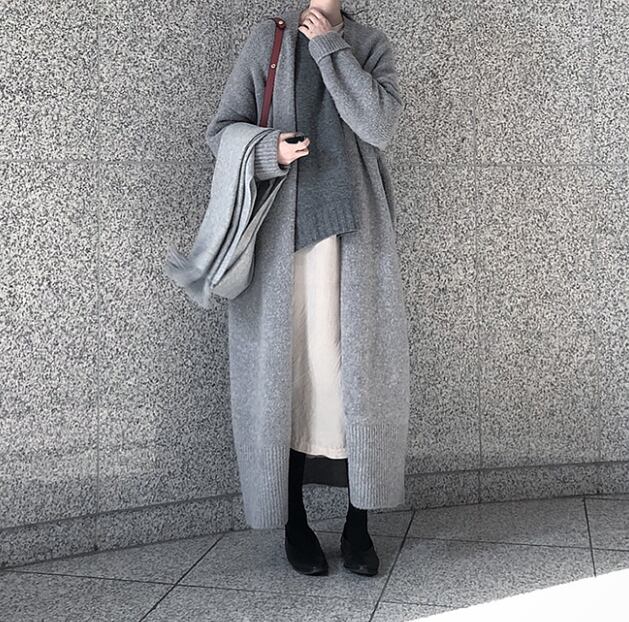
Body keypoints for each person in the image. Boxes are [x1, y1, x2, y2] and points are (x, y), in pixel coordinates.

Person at [205, 0, 410, 579]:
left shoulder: (368, 44)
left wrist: (329, 48)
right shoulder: (267, 41)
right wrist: (267, 151)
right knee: (288, 381)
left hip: (353, 244)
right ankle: (293, 522)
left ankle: (358, 526)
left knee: (353, 384)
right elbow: (222, 132)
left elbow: (379, 126)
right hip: (281, 249)